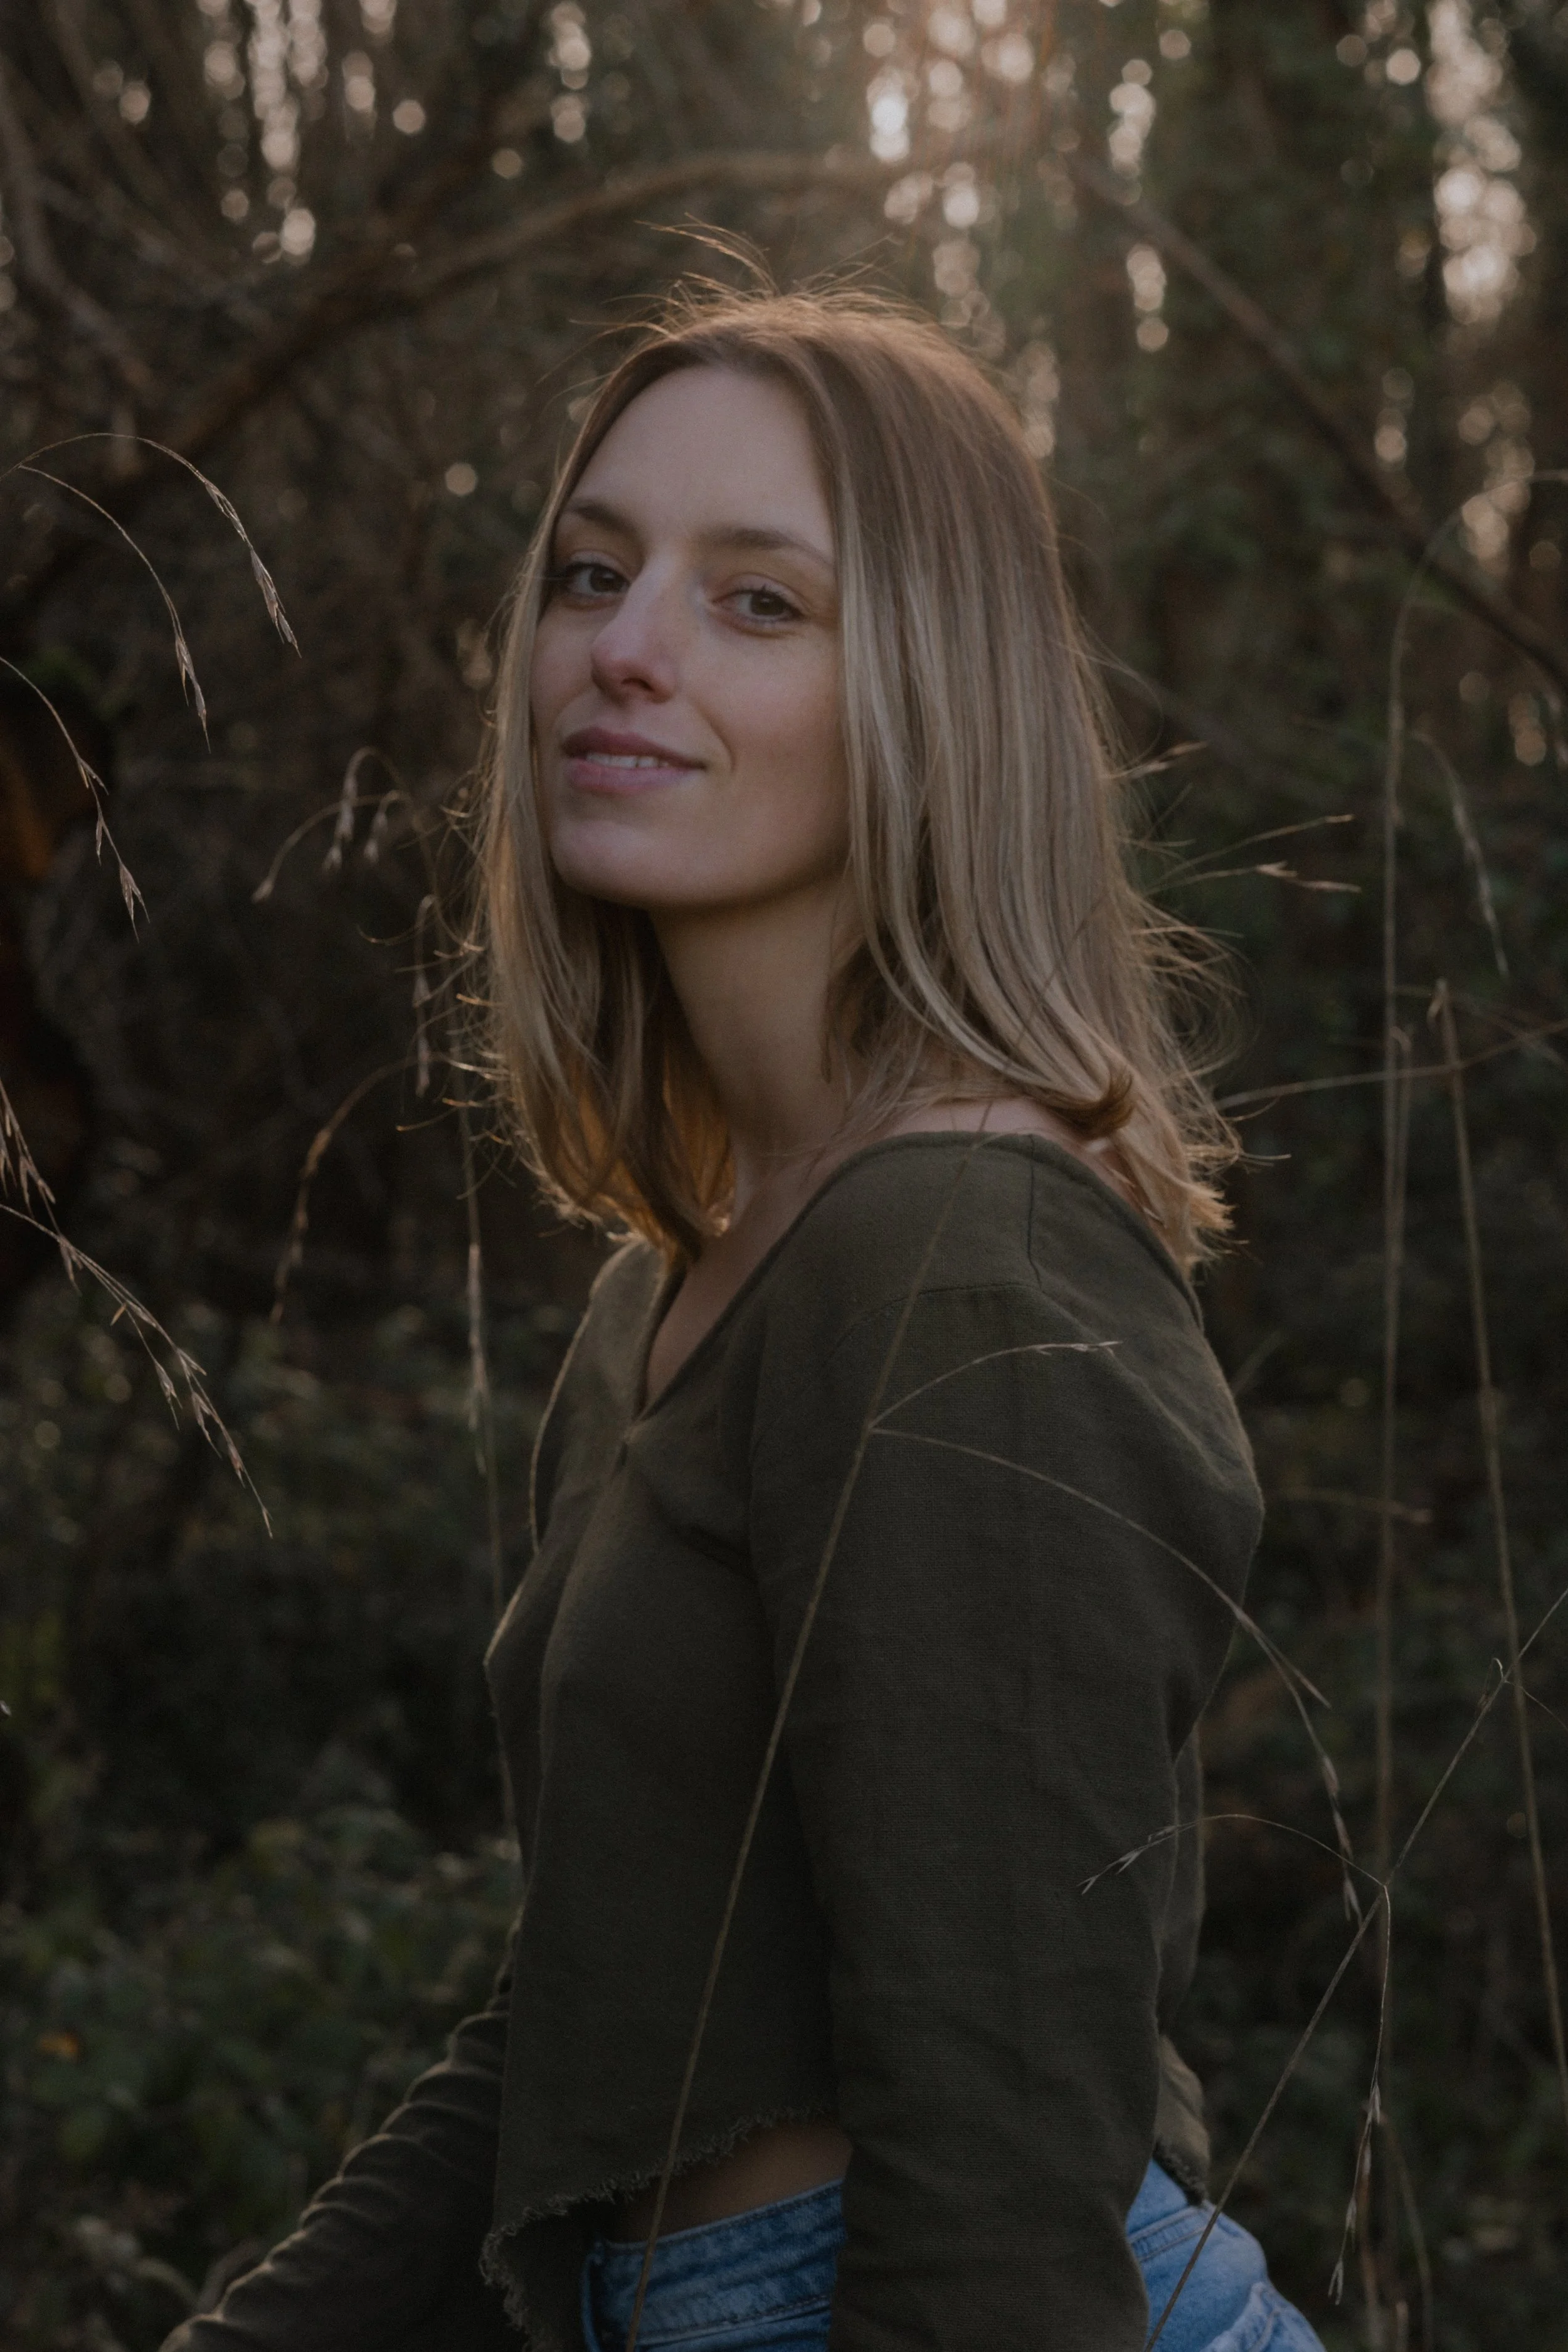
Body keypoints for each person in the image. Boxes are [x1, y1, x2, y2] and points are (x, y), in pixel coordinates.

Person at [167, 286, 1324, 2352]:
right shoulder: (676, 1285)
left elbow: (992, 2224)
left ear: (930, 696)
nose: (624, 645)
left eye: (758, 600)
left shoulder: (960, 1263)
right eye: (592, 572)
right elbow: (586, 2034)